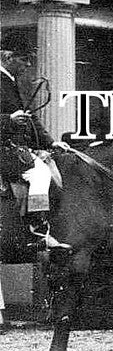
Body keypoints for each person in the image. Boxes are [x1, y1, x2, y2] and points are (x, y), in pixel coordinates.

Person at [0, 31, 68, 250]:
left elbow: (31, 118)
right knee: (40, 173)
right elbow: (16, 119)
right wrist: (8, 120)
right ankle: (37, 230)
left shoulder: (12, 82)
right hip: (4, 149)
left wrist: (50, 143)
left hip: (15, 149)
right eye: (23, 59)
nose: (28, 64)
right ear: (7, 57)